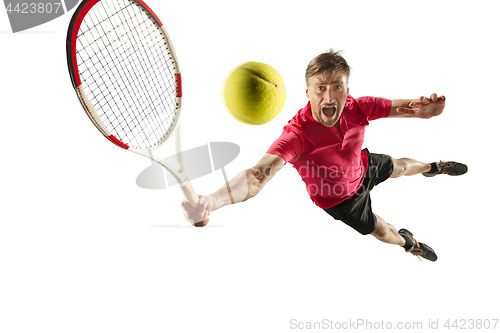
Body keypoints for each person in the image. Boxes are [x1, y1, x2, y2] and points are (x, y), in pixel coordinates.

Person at [181, 49, 467, 261]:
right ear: (308, 92)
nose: (329, 97)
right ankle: (409, 243)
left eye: (337, 87)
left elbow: (407, 107)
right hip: (340, 200)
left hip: (362, 166)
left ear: (347, 90)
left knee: (402, 166)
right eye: (321, 88)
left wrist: (423, 112)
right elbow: (258, 175)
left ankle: (433, 167)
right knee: (381, 231)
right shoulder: (298, 136)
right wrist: (212, 201)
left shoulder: (359, 107)